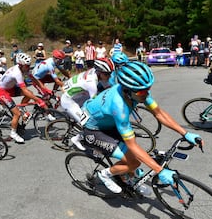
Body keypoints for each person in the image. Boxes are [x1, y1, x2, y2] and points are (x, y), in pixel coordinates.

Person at [81, 61, 202, 193]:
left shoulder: (137, 92)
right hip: (94, 131)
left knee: (135, 157)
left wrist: (185, 133)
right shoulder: (119, 106)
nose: (146, 94)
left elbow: (159, 114)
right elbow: (132, 145)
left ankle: (124, 176)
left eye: (148, 89)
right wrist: (159, 170)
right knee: (134, 162)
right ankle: (104, 175)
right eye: (142, 92)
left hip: (108, 124)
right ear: (128, 90)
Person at [61, 58, 115, 150]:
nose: (109, 76)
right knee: (87, 121)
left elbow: (109, 87)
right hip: (69, 102)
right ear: (99, 72)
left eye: (110, 74)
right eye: (107, 74)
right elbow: (94, 104)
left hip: (79, 95)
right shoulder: (91, 84)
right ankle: (76, 138)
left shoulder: (96, 72)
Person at [0, 53, 46, 143]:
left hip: (11, 89)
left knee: (30, 93)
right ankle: (13, 133)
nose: (28, 67)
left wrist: (44, 89)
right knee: (17, 114)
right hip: (2, 92)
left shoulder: (23, 69)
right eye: (27, 66)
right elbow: (24, 90)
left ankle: (21, 108)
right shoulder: (17, 73)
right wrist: (38, 100)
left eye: (29, 65)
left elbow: (34, 79)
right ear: (21, 65)